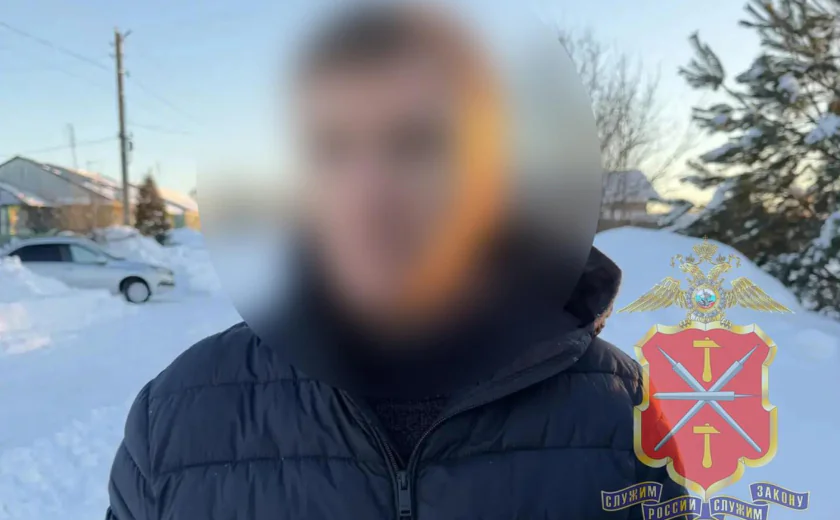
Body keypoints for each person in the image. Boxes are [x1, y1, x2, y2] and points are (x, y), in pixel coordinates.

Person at [105, 5, 686, 520]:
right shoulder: (173, 421)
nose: (369, 195)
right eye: (329, 149)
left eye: (419, 145)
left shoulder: (619, 412)